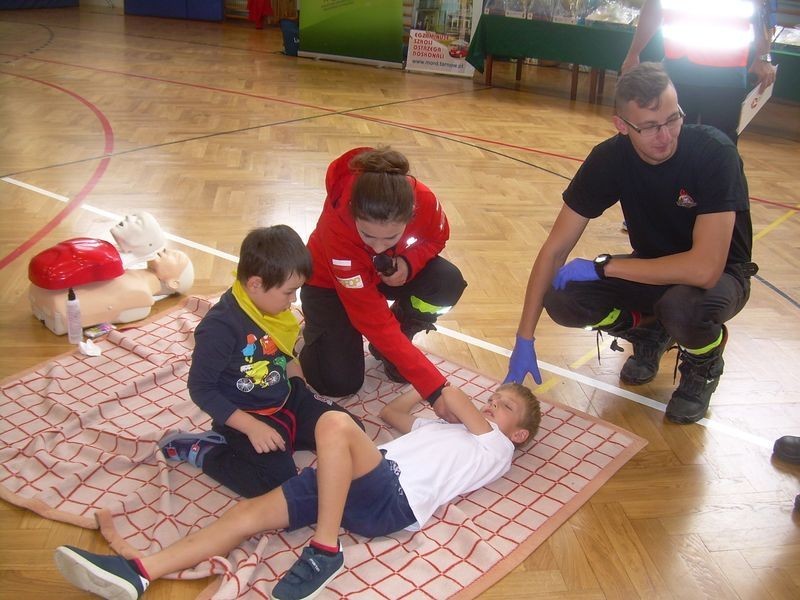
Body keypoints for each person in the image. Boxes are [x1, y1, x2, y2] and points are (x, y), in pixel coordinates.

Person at [53, 383, 541, 600]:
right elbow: (392, 414)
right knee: (246, 514)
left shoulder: (495, 448)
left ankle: (325, 550)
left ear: (517, 434)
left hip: (391, 499)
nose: (489, 406)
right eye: (492, 398)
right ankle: (140, 572)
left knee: (335, 422)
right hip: (350, 479)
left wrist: (443, 392)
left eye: (502, 407)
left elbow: (452, 394)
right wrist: (424, 385)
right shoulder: (447, 428)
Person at [505, 62, 755, 425]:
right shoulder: (609, 159)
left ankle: (704, 361)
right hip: (651, 268)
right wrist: (524, 338)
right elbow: (555, 250)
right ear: (622, 125)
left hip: (721, 277)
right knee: (562, 296)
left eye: (673, 119)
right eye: (650, 127)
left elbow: (704, 269)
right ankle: (647, 331)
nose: (665, 136)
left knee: (681, 307)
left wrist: (604, 267)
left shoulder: (714, 153)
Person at [162, 225, 362, 498]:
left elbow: (284, 352)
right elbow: (201, 389)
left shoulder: (272, 309)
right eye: (289, 292)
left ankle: (288, 438)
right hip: (247, 414)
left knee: (352, 432)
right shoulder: (220, 327)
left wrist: (299, 385)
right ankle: (206, 450)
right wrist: (252, 427)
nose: (293, 300)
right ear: (255, 284)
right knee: (276, 484)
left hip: (287, 398)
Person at [299, 146, 467, 407]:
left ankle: (403, 324)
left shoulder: (424, 200)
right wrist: (435, 389)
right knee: (338, 383)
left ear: (411, 213)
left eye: (390, 237)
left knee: (446, 281)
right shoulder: (337, 225)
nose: (378, 247)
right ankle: (314, 334)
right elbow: (373, 319)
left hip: (381, 275)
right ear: (353, 212)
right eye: (367, 235)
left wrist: (409, 263)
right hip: (328, 286)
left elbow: (437, 236)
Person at [621, 0, 778, 144]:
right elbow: (655, 5)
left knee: (719, 146)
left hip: (726, 72)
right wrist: (633, 53)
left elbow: (763, 7)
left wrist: (763, 57)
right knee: (671, 141)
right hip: (677, 67)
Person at [29, 244, 194, 335]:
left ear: (173, 283)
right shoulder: (133, 274)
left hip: (58, 303)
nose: (166, 250)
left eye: (175, 256)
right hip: (55, 300)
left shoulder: (142, 295)